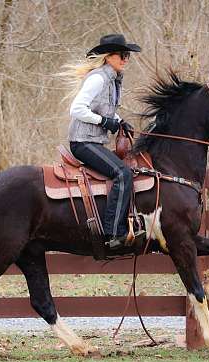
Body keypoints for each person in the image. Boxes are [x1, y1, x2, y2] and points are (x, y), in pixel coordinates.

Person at [62, 33, 145, 250]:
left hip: (93, 141)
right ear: (108, 57)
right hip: (82, 142)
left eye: (128, 55)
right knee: (122, 173)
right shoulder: (98, 78)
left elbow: (105, 110)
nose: (126, 59)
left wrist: (119, 121)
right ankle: (113, 233)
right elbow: (77, 109)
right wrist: (104, 121)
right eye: (122, 55)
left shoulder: (113, 80)